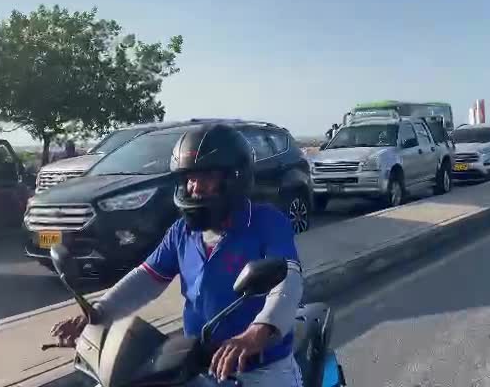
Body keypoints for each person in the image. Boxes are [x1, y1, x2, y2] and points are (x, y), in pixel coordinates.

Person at [50, 123, 304, 386]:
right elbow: (145, 279)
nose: (195, 187)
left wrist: (258, 332)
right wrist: (97, 313)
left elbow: (288, 282)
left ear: (234, 178)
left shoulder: (267, 223)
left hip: (260, 369)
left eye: (207, 177)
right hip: (198, 365)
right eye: (190, 178)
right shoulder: (183, 231)